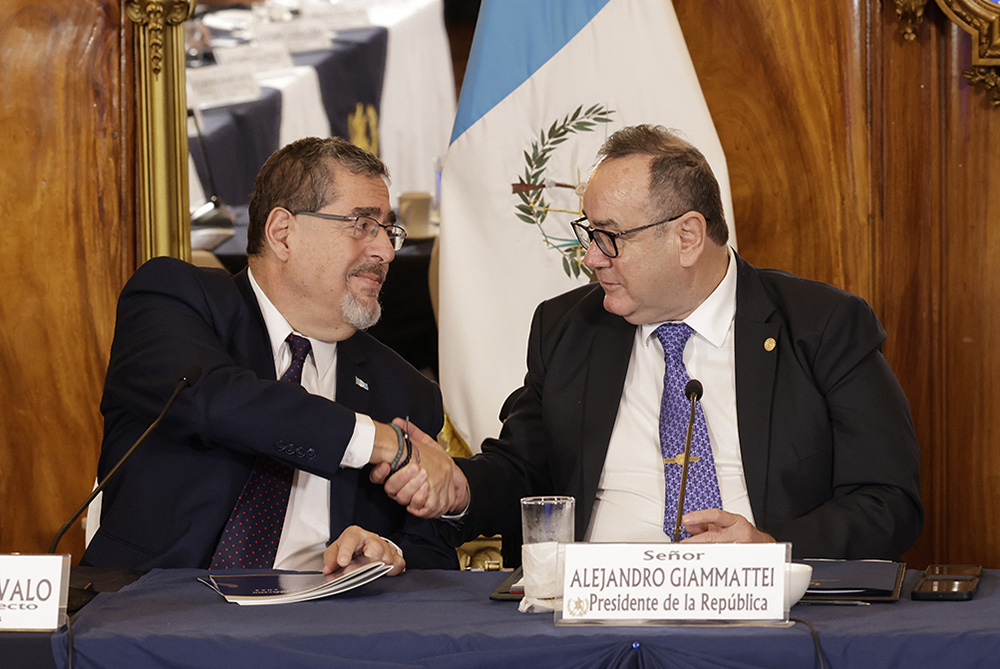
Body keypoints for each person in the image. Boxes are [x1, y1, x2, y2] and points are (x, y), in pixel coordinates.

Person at [388, 124, 923, 563]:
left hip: (765, 613)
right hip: (594, 622)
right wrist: (459, 485)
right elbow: (524, 474)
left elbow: (887, 501)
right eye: (587, 234)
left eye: (610, 237)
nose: (591, 258)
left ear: (687, 236)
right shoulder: (568, 329)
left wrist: (772, 548)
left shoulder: (821, 325)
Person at [82, 137, 460, 574]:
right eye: (361, 224)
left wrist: (389, 555)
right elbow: (216, 401)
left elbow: (433, 558)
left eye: (388, 230)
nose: (387, 251)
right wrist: (377, 441)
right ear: (283, 233)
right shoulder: (175, 300)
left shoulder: (406, 393)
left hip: (319, 630)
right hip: (157, 610)